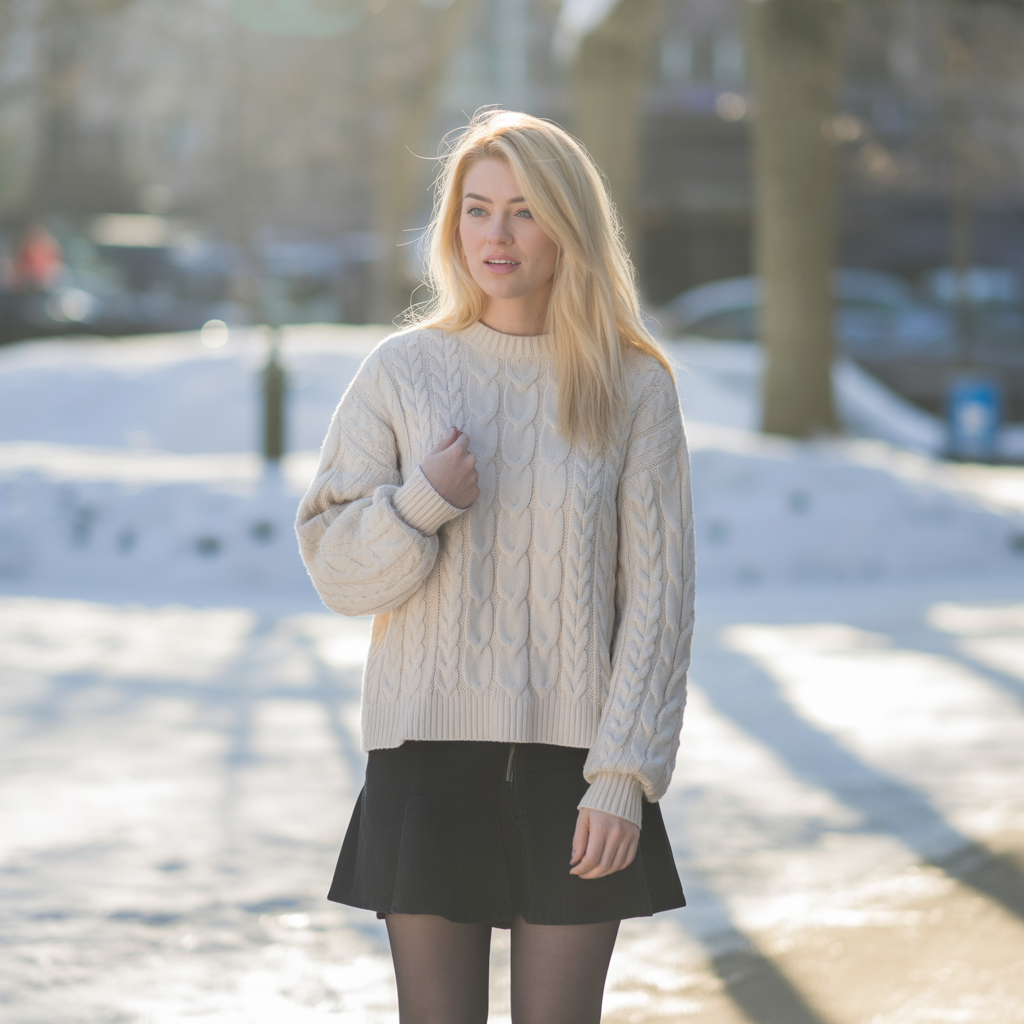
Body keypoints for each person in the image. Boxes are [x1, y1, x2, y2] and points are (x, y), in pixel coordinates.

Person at [295, 109, 695, 1024]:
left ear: (570, 226)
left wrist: (623, 775)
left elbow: (659, 602)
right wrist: (419, 504)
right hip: (425, 762)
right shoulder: (402, 370)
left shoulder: (633, 385)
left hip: (578, 773)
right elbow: (338, 573)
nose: (497, 236)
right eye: (477, 210)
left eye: (524, 210)